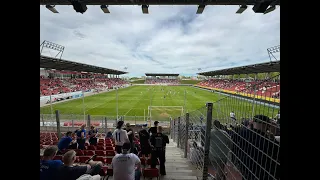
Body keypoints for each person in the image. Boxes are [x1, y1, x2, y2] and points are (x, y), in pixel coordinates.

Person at [238, 115, 280, 180]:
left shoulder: (243, 133)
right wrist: (274, 133)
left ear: (253, 122)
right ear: (267, 125)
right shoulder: (270, 144)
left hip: (246, 171)